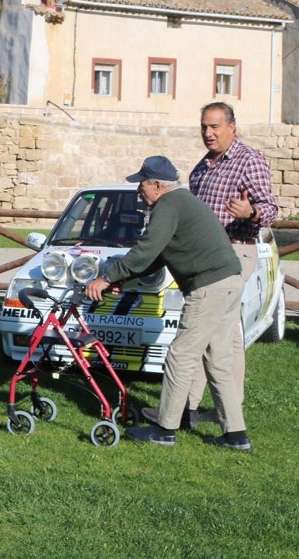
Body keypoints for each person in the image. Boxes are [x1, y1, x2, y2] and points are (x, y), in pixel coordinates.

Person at [84, 155, 250, 451]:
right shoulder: (182, 202)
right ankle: (236, 436)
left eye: (142, 185)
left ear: (157, 185)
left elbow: (146, 248)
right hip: (229, 281)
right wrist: (122, 279)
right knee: (218, 359)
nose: (139, 191)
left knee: (180, 356)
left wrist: (107, 277)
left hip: (209, 287)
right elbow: (158, 256)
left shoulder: (168, 205)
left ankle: (164, 429)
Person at [147, 101, 278, 430]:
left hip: (235, 251)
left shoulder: (249, 160)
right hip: (204, 259)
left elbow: (271, 209)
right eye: (204, 126)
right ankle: (198, 411)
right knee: (215, 335)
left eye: (215, 126)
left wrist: (251, 213)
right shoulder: (201, 168)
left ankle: (198, 412)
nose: (208, 133)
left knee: (223, 335)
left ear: (232, 127)